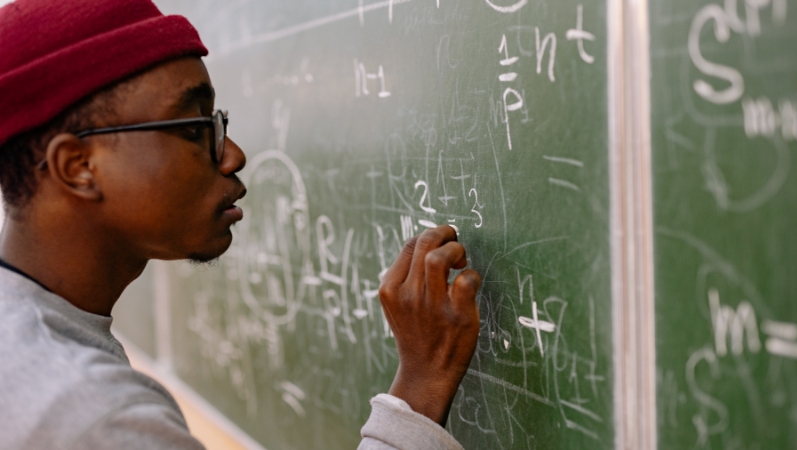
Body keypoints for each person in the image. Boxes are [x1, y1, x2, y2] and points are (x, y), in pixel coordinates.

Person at [0, 1, 482, 449]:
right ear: (77, 166)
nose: (233, 155)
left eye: (218, 123)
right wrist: (419, 388)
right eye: (192, 128)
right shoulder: (95, 418)